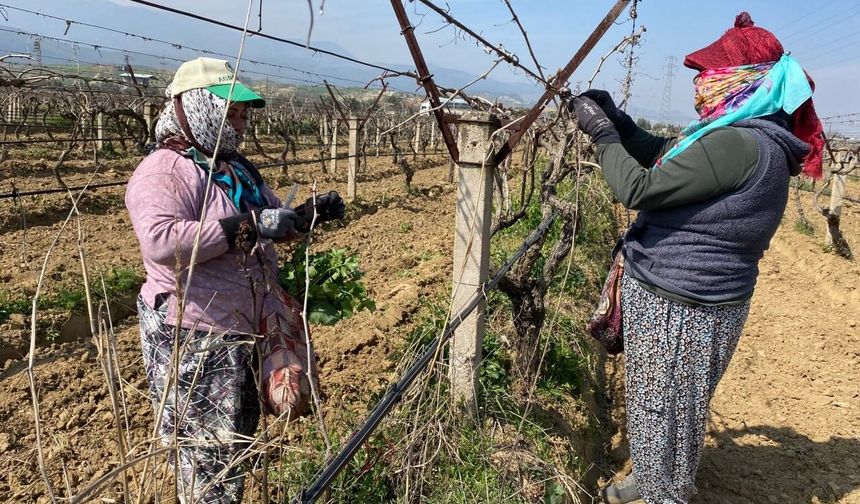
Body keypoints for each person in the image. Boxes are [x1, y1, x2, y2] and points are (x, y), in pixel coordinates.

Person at [569, 13, 824, 504]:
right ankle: (658, 482)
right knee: (676, 413)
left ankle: (661, 493)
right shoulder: (755, 137)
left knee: (658, 411)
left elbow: (637, 188)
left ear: (743, 80)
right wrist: (621, 123)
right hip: (702, 304)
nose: (701, 83)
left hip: (678, 308)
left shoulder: (738, 143)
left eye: (710, 73)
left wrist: (601, 134)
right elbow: (668, 155)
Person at [126, 57, 344, 503]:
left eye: (243, 113)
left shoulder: (234, 168)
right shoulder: (166, 170)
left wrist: (306, 216)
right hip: (195, 332)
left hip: (241, 327)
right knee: (206, 453)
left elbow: (267, 220)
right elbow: (161, 242)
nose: (241, 123)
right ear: (196, 108)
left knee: (236, 439)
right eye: (231, 113)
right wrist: (247, 226)